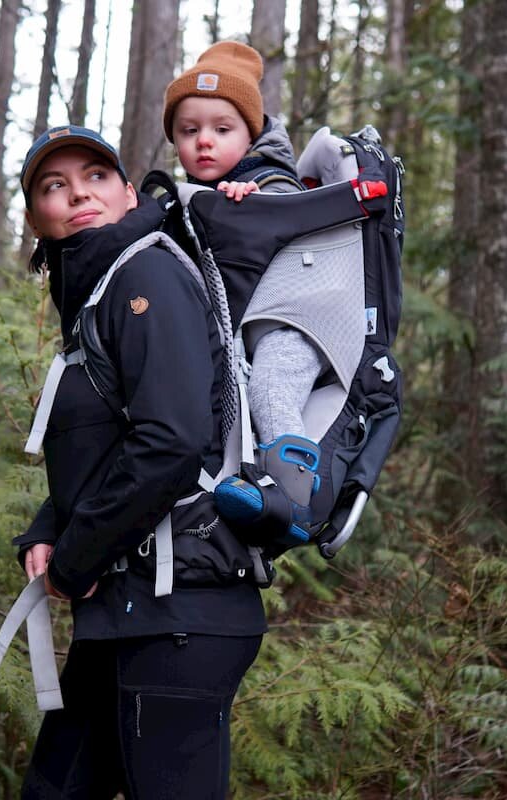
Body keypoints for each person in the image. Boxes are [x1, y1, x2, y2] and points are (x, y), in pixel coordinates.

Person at [11, 124, 267, 799]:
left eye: (95, 177)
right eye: (53, 186)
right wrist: (48, 528)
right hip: (133, 612)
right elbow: (115, 441)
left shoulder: (144, 272)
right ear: (37, 218)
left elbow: (174, 441)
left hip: (181, 612)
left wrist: (76, 558)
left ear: (129, 192)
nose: (77, 195)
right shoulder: (100, 292)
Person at [163, 41, 329, 539]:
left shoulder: (268, 181)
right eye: (189, 131)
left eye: (221, 129)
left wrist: (254, 200)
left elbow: (292, 211)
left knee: (271, 385)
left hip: (299, 324)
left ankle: (297, 501)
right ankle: (250, 485)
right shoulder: (190, 199)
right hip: (247, 328)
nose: (204, 142)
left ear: (251, 134)